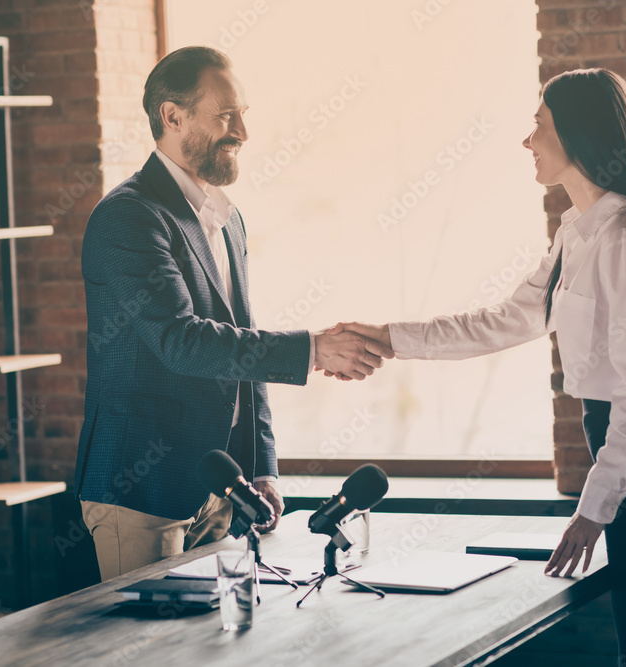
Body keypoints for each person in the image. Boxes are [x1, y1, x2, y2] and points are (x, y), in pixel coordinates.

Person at [331, 69, 626, 666]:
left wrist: (594, 510)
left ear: (578, 134)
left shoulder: (625, 239)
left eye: (538, 126)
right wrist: (389, 338)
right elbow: (503, 321)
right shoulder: (577, 233)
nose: (527, 141)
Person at [75, 46, 393, 581]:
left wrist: (262, 466)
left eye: (243, 113)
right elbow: (182, 340)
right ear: (171, 117)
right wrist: (313, 349)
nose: (243, 131)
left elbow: (238, 344)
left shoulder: (226, 217)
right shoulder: (127, 218)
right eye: (226, 115)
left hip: (221, 487)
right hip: (142, 491)